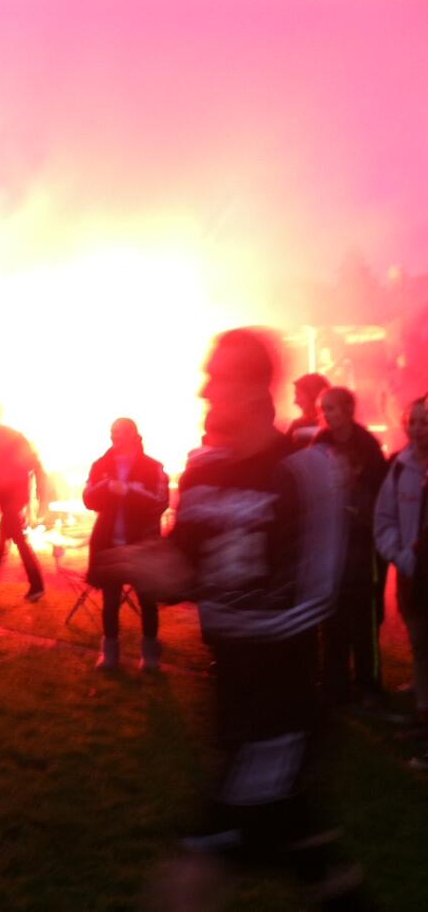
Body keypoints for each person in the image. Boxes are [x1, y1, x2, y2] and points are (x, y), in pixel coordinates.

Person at [97, 329, 366, 909]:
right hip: (228, 704)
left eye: (216, 377)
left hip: (282, 710)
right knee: (313, 856)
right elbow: (187, 559)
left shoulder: (304, 471)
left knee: (192, 871)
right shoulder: (202, 473)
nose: (203, 389)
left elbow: (321, 593)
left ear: (251, 389)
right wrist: (156, 568)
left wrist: (207, 588)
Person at [313, 386, 388, 707]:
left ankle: (368, 683)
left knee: (362, 616)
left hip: (360, 543)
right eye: (323, 408)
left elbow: (381, 495)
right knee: (332, 615)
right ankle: (335, 681)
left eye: (331, 408)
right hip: (331, 543)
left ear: (348, 410)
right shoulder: (321, 442)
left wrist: (359, 510)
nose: (326, 414)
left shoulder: (367, 446)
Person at [82, 418, 169, 671]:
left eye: (119, 432)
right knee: (110, 602)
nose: (114, 436)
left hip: (142, 544)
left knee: (147, 600)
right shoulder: (101, 465)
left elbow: (160, 502)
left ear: (133, 435)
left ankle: (150, 656)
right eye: (112, 431)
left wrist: (129, 491)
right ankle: (109, 654)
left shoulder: (153, 467)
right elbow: (88, 499)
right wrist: (108, 487)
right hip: (109, 544)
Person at [375, 394, 428, 735]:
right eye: (413, 421)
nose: (418, 429)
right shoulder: (399, 468)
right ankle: (424, 713)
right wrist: (400, 554)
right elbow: (385, 518)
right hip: (413, 574)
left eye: (425, 422)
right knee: (420, 643)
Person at [0, 401, 47, 602]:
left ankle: (37, 584)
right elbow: (33, 461)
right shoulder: (15, 434)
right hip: (16, 491)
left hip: (12, 493)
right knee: (5, 530)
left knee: (18, 537)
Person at [287, 372, 330, 449]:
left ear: (313, 395)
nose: (295, 401)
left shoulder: (337, 426)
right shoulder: (297, 425)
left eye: (298, 395)